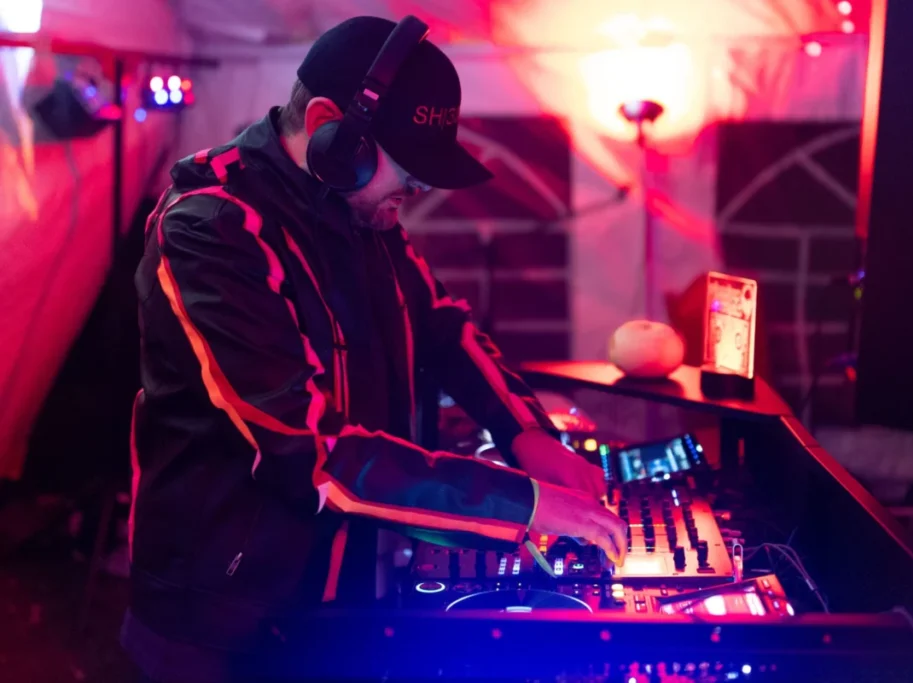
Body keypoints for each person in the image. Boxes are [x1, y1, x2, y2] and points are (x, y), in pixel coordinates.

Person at [123, 15, 627, 683]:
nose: (418, 190)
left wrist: (526, 433)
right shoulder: (212, 229)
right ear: (332, 129)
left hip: (336, 603)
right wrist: (524, 503)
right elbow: (312, 452)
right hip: (224, 620)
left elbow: (442, 324)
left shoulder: (357, 209)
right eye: (408, 167)